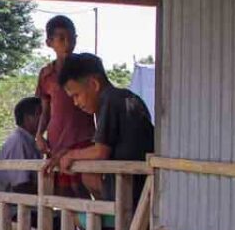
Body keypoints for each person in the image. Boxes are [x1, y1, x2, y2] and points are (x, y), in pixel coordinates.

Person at [45, 53, 154, 204]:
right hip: (142, 187)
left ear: (94, 84)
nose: (75, 103)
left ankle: (113, 217)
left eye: (76, 95)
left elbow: (100, 151)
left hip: (130, 190)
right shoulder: (127, 98)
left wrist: (70, 156)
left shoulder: (109, 100)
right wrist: (68, 152)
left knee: (82, 191)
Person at [35, 16, 98, 198]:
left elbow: (99, 102)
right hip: (56, 141)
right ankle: (71, 227)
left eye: (72, 38)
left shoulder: (86, 66)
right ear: (49, 42)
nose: (68, 43)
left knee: (83, 188)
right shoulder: (46, 74)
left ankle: (96, 227)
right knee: (62, 193)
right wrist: (39, 134)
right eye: (61, 38)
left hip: (83, 139)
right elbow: (45, 109)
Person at [0, 96, 42, 223]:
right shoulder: (18, 142)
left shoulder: (29, 141)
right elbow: (20, 186)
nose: (45, 119)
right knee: (62, 223)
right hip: (18, 211)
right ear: (28, 118)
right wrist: (50, 190)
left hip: (27, 208)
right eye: (40, 114)